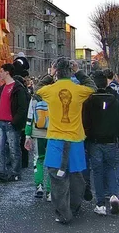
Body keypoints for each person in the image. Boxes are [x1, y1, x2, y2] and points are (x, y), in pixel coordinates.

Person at [35, 58, 96, 224]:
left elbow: (36, 89)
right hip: (75, 140)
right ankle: (74, 207)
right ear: (70, 71)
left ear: (56, 71)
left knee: (57, 179)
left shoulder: (49, 90)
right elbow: (93, 87)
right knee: (76, 178)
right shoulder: (78, 90)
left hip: (56, 140)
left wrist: (50, 75)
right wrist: (79, 71)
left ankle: (63, 212)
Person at [82, 70, 119, 215]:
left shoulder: (89, 101)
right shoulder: (115, 100)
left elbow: (85, 122)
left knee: (97, 171)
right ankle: (114, 195)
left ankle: (100, 204)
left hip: (95, 141)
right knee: (112, 168)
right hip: (111, 140)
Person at [0, 63, 29, 182]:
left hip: (10, 123)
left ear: (7, 72)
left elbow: (22, 107)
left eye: (2, 71)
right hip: (0, 122)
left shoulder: (17, 87)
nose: (0, 73)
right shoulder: (3, 87)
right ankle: (1, 172)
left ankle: (15, 172)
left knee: (14, 149)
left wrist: (14, 122)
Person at [25, 74, 53, 201]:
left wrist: (27, 134)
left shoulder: (35, 98)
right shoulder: (54, 96)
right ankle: (50, 191)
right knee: (52, 162)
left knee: (38, 160)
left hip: (37, 133)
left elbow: (30, 117)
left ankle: (39, 185)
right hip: (52, 133)